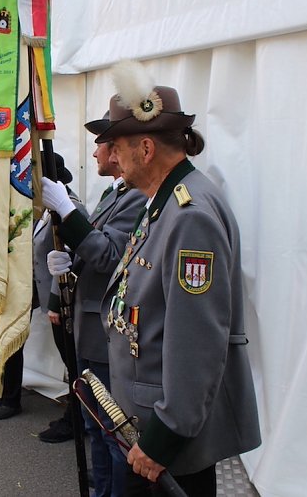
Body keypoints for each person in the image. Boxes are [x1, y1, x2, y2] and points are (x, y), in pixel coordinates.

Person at [93, 60, 259, 495]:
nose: (112, 157)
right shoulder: (164, 203)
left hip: (163, 436)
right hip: (145, 418)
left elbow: (197, 342)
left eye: (117, 147)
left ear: (146, 149)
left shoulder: (189, 215)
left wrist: (164, 439)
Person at [43, 127, 146, 496]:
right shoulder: (113, 194)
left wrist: (68, 211)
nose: (95, 154)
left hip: (105, 333)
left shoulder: (136, 197)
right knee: (95, 429)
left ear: (116, 150)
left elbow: (109, 257)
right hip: (89, 329)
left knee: (112, 435)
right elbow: (95, 252)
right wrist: (71, 262)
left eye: (100, 146)